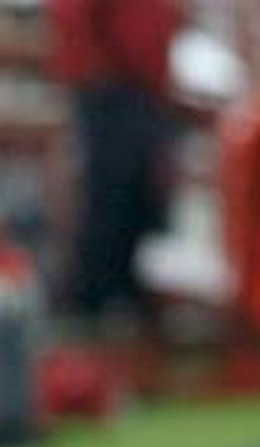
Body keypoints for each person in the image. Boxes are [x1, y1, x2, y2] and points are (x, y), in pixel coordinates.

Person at [46, 0, 187, 322]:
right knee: (108, 193)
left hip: (142, 88)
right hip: (112, 88)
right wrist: (94, 68)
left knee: (137, 192)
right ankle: (95, 297)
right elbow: (71, 15)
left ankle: (122, 290)